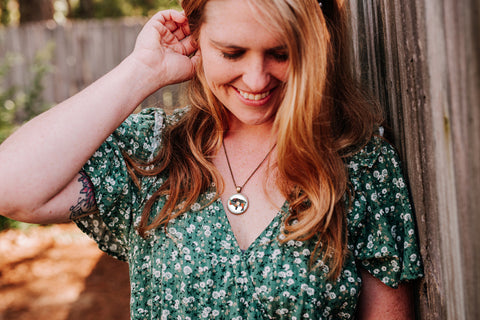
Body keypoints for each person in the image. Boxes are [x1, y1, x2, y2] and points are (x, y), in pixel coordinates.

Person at [0, 0, 423, 318]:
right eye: (233, 53)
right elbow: (11, 188)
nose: (257, 80)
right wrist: (142, 71)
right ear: (196, 37)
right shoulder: (154, 153)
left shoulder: (361, 165)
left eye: (281, 53)